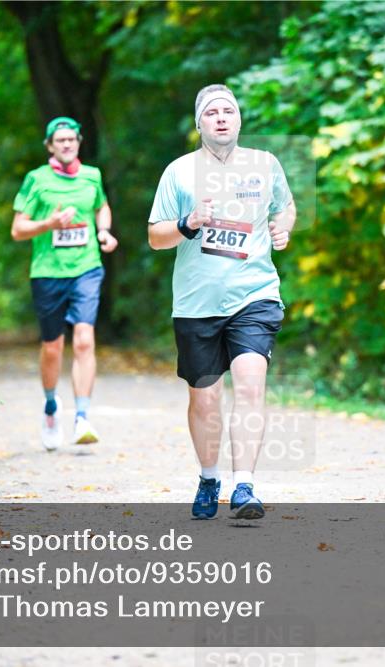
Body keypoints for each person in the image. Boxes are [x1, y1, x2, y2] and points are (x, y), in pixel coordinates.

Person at [148, 84, 296, 520]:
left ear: (239, 119)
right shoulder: (178, 172)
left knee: (250, 384)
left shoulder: (264, 164)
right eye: (211, 112)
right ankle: (209, 477)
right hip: (197, 303)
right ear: (199, 123)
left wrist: (282, 227)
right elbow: (156, 238)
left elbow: (285, 208)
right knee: (206, 399)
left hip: (254, 293)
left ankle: (244, 486)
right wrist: (188, 222)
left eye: (228, 110)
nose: (220, 117)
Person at [11, 116, 118, 451]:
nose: (67, 144)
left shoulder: (92, 176)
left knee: (85, 340)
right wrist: (50, 223)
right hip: (47, 273)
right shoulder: (36, 181)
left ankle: (82, 417)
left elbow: (102, 207)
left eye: (72, 139)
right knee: (53, 347)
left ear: (79, 141)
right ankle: (50, 407)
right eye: (60, 141)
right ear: (50, 146)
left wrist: (103, 230)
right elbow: (17, 229)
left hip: (86, 268)